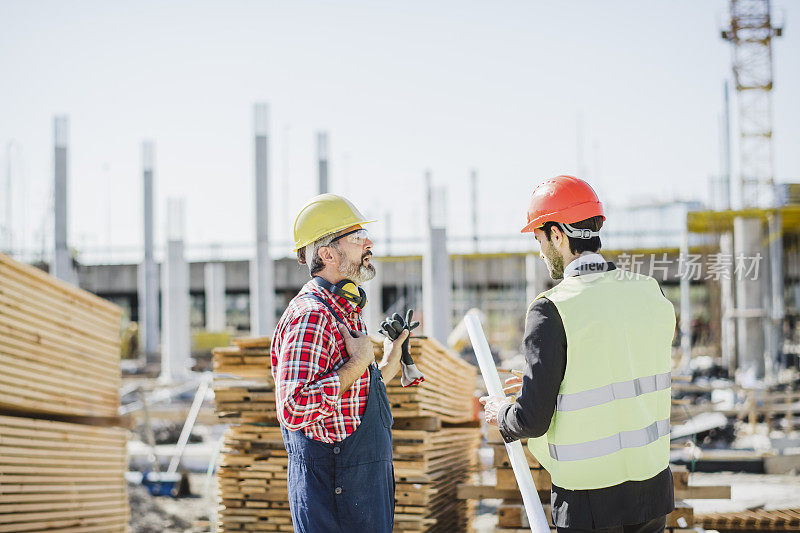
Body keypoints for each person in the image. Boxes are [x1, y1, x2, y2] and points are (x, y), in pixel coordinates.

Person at [480, 176, 676, 533]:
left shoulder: (552, 309)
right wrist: (544, 385)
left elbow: (533, 421)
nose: (540, 252)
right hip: (653, 491)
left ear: (557, 234)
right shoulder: (651, 293)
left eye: (539, 239)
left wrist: (505, 412)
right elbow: (619, 373)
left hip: (590, 503)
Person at [271, 193, 407, 533]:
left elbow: (348, 397)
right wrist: (358, 363)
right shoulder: (312, 316)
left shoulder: (343, 311)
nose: (369, 243)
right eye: (358, 237)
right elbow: (293, 407)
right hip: (336, 506)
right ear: (327, 254)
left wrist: (388, 360)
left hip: (359, 499)